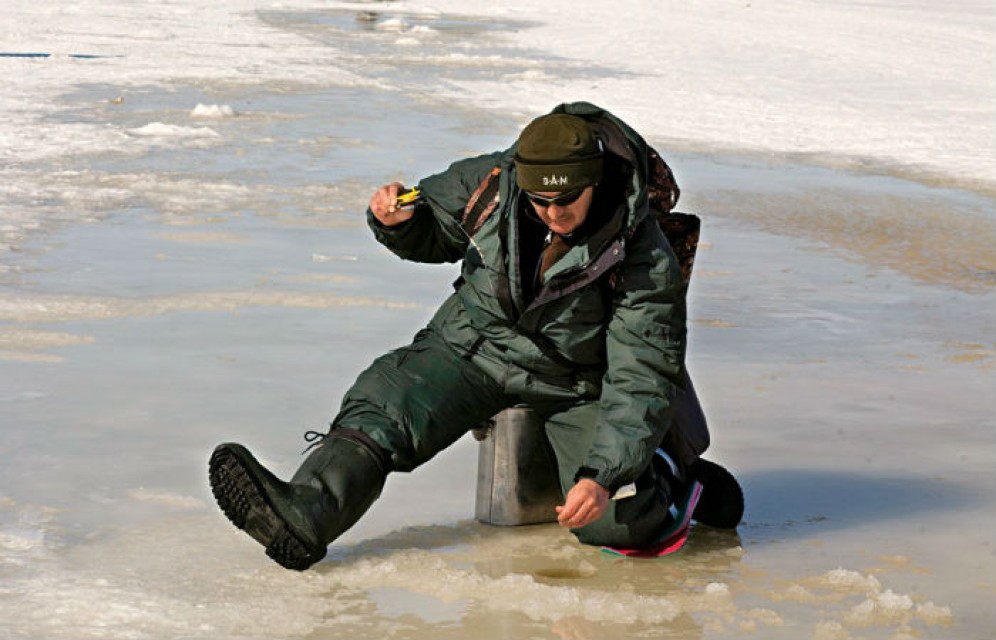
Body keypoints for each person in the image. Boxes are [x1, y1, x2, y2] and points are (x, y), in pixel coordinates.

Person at [208, 102, 740, 571]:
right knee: (387, 405)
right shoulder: (488, 180)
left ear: (596, 180)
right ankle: (308, 510)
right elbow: (433, 226)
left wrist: (604, 474)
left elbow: (641, 372)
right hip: (471, 346)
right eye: (539, 201)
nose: (553, 215)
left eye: (568, 200)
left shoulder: (644, 255)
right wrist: (398, 221)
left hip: (576, 383)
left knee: (613, 522)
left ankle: (676, 481)